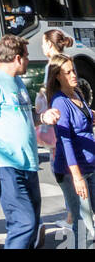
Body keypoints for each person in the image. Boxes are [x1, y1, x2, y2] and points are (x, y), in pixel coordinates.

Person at [0, 33, 42, 250]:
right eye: (27, 56)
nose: (29, 60)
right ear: (18, 58)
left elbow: (24, 118)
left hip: (28, 162)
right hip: (7, 165)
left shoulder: (17, 81)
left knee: (31, 226)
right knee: (24, 223)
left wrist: (43, 118)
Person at [42, 56, 95, 249]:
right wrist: (77, 177)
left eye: (74, 70)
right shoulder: (60, 102)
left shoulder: (77, 93)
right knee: (84, 226)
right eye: (68, 72)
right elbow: (66, 142)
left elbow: (84, 123)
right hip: (72, 171)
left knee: (90, 222)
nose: (74, 75)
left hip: (90, 166)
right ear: (57, 77)